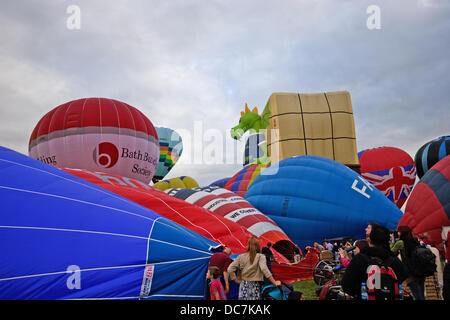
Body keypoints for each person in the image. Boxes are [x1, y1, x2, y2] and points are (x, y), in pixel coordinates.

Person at [341, 224, 408, 300]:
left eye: (368, 228)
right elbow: (403, 275)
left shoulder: (360, 259)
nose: (365, 229)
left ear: (370, 239)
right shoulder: (394, 260)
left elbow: (347, 286)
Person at [391, 226, 427, 300]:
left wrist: (392, 241)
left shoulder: (401, 242)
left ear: (402, 233)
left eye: (399, 231)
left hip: (411, 272)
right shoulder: (415, 240)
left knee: (417, 296)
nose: (397, 233)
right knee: (421, 295)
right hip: (421, 271)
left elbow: (391, 252)